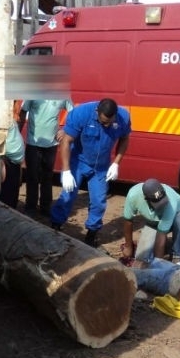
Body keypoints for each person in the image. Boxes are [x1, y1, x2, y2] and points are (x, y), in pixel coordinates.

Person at [50, 98, 131, 247]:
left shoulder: (123, 117)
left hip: (100, 166)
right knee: (68, 195)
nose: (106, 125)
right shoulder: (81, 113)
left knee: (99, 201)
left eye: (109, 122)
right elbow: (66, 141)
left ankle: (92, 234)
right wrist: (67, 170)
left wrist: (116, 163)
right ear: (97, 112)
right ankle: (55, 225)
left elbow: (125, 139)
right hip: (78, 161)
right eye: (103, 122)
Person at [18, 98, 74, 217]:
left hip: (51, 144)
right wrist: (17, 134)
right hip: (33, 142)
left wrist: (65, 129)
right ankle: (31, 208)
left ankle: (45, 208)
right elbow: (23, 112)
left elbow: (73, 113)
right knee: (32, 176)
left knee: (47, 177)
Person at [121, 178, 180, 264]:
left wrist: (159, 263)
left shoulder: (171, 203)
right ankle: (162, 246)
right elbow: (128, 220)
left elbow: (161, 233)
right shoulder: (133, 195)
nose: (161, 204)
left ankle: (176, 254)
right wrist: (129, 246)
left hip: (177, 216)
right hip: (154, 222)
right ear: (146, 198)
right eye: (157, 202)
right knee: (142, 257)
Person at [0, 120, 25, 209]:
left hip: (14, 162)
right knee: (5, 196)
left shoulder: (9, 118)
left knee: (13, 192)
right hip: (5, 159)